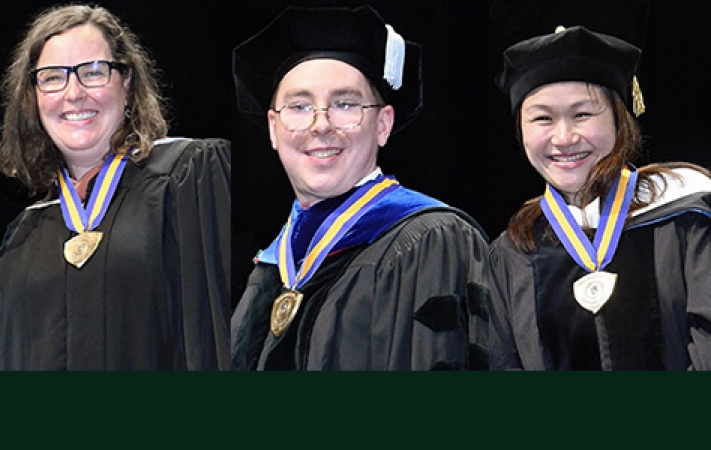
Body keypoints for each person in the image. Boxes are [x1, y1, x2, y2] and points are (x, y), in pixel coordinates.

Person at [228, 6, 490, 370]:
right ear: (273, 128)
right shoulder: (272, 267)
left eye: (345, 104)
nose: (321, 125)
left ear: (383, 124)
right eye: (300, 106)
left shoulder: (432, 241)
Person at [0, 4, 231, 370]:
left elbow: (216, 333)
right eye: (53, 77)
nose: (73, 93)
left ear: (127, 83)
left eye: (92, 72)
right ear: (34, 97)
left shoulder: (190, 176)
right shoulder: (25, 234)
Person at [487, 26, 711, 370]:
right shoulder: (514, 252)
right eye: (542, 118)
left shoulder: (686, 214)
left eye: (582, 114)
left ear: (619, 120)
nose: (563, 138)